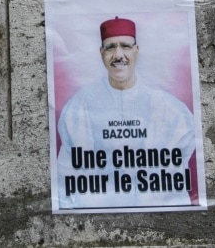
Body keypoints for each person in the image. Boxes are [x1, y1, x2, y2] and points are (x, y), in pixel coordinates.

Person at [55, 16, 198, 209]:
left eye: (126, 46)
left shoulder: (169, 109)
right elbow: (68, 178)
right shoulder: (79, 107)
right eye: (110, 47)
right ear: (101, 53)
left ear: (136, 50)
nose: (118, 55)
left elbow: (174, 178)